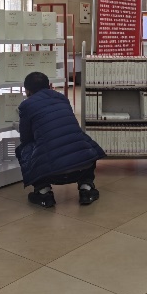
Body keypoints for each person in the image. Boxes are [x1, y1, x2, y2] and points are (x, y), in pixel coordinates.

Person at [16, 72, 105, 208]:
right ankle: (86, 189)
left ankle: (44, 192)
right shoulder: (62, 98)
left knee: (24, 149)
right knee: (84, 140)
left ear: (27, 90)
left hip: (52, 172)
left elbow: (25, 138)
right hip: (83, 164)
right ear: (49, 86)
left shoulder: (26, 106)